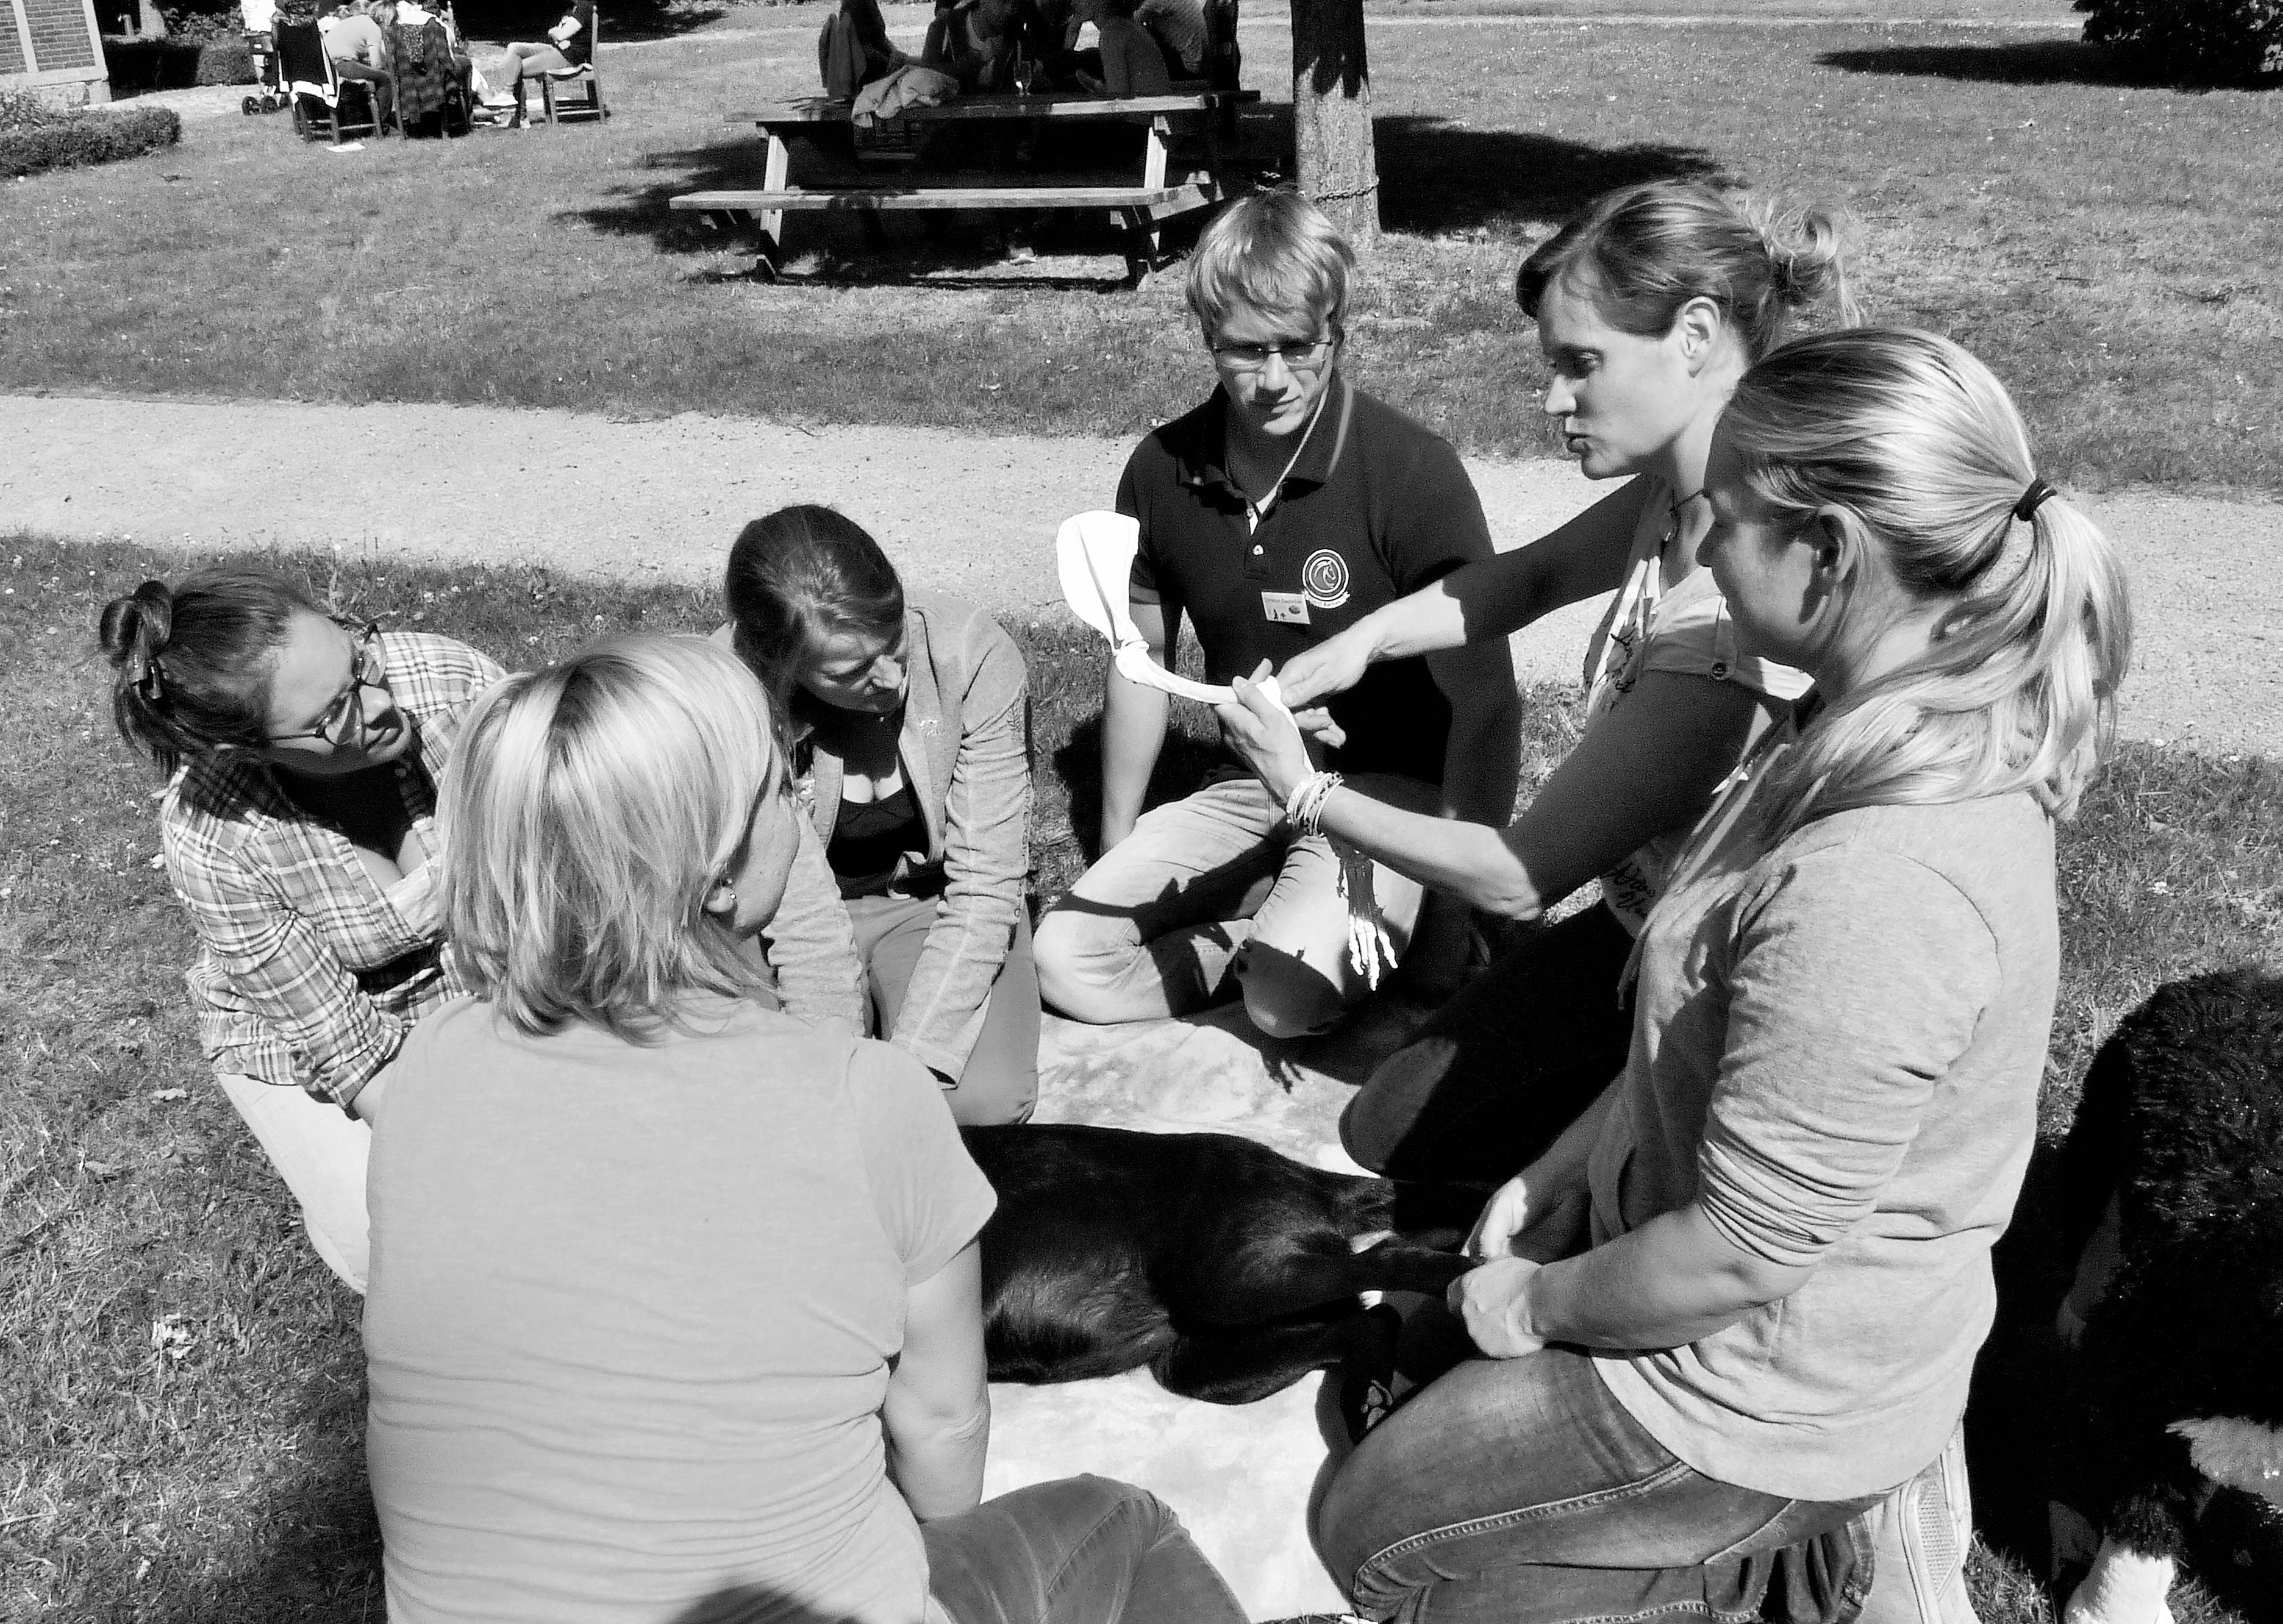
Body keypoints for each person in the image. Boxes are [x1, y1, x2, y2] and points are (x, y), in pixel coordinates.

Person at [1284, 326, 2130, 1622]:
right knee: (1373, 1412)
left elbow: (1740, 1258)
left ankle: (1752, 1569)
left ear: (1833, 555)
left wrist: (1537, 1300)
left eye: (1720, 518)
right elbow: (1696, 1049)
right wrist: (1563, 1173)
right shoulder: (1844, 728)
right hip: (1739, 1313)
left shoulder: (1883, 880)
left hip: (1770, 1397)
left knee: (1372, 1537)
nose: (1695, 544)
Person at [362, 633, 1249, 1624]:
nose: (800, 797)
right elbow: (944, 1421)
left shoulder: (427, 1066)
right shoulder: (867, 1097)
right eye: (780, 783)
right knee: (1118, 1518)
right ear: (719, 876)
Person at [1242, 180, 1851, 1187]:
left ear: (1693, 334)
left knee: (1409, 1153)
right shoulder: (1681, 490)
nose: (1552, 400)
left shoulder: (1726, 624)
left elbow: (1517, 875)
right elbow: (1522, 579)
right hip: (1629, 927)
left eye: (1580, 365)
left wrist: (1307, 791)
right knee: (1382, 1121)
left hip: (1689, 981)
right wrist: (1362, 642)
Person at [98, 570, 861, 1295]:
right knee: (397, 1240)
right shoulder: (215, 841)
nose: (381, 701)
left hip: (490, 975)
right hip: (331, 1037)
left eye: (359, 658)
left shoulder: (451, 685)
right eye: (333, 716)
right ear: (249, 751)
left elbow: (575, 875)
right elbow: (359, 1062)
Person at [1033, 190, 1523, 1042]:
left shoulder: (1412, 472)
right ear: (1204, 335)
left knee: (1282, 1005)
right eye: (1245, 351)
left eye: (1300, 348)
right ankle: (1279, 926)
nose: (1273, 380)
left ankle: (1322, 936)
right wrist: (1115, 849)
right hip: (1252, 785)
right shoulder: (1160, 471)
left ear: (1338, 327)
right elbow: (1137, 661)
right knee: (1065, 959)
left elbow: (1489, 702)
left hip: (1387, 803)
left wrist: (1453, 911)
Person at [722, 506, 1040, 1127]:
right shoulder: (727, 691)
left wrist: (912, 1066)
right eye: (850, 673)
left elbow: (985, 883)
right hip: (775, 911)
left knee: (974, 1101)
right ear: (784, 668)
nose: (892, 677)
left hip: (934, 903)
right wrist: (830, 1052)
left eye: (893, 643)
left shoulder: (972, 654)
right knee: (764, 1098)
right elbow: (796, 906)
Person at [487, 0, 591, 129]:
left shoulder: (585, 7)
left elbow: (561, 34)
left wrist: (558, 35)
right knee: (514, 47)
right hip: (556, 49)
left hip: (568, 57)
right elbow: (553, 33)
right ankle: (509, 95)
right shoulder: (571, 7)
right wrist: (558, 37)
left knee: (516, 68)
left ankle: (520, 115)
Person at [316, 0, 395, 130]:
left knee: (370, 73)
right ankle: (382, 122)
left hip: (325, 63)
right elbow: (376, 64)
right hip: (342, 64)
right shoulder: (374, 29)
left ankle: (370, 117)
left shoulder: (357, 20)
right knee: (385, 78)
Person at [1073, 0, 1170, 95]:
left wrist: (1097, 89)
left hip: (1146, 108)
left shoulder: (1113, 33)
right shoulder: (1127, 27)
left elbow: (1118, 98)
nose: (1074, 2)